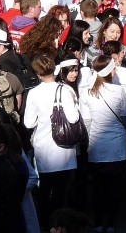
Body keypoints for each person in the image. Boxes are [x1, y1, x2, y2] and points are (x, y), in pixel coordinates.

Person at [23, 54, 79, 227]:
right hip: (65, 150)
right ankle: (64, 226)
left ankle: (48, 226)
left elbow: (28, 122)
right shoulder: (65, 90)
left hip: (44, 149)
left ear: (38, 74)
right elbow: (74, 117)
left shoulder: (33, 93)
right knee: (64, 193)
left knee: (46, 191)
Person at [79, 55, 126, 231]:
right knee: (115, 188)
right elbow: (124, 119)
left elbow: (86, 122)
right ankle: (110, 223)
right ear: (110, 71)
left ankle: (98, 222)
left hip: (96, 147)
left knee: (98, 188)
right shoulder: (118, 91)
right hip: (117, 147)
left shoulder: (86, 92)